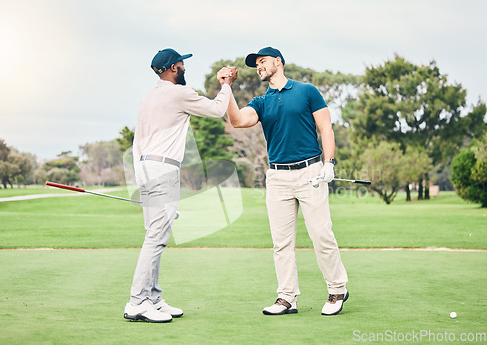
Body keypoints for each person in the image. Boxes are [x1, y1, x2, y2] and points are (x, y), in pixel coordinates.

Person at [226, 47, 349, 316]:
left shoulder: (306, 91)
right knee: (281, 243)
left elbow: (325, 127)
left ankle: (337, 289)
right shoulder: (261, 102)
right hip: (278, 176)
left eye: (262, 61)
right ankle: (287, 297)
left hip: (310, 172)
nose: (258, 66)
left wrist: (329, 162)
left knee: (321, 234)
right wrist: (226, 88)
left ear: (278, 62)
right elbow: (236, 121)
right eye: (255, 64)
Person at [124, 48, 237, 323]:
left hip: (146, 169)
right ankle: (137, 301)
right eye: (182, 64)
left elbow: (137, 142)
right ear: (173, 68)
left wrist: (141, 178)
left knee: (155, 234)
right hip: (163, 170)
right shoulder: (179, 93)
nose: (185, 68)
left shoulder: (148, 97)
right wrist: (225, 84)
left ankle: (152, 298)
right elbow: (217, 109)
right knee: (156, 238)